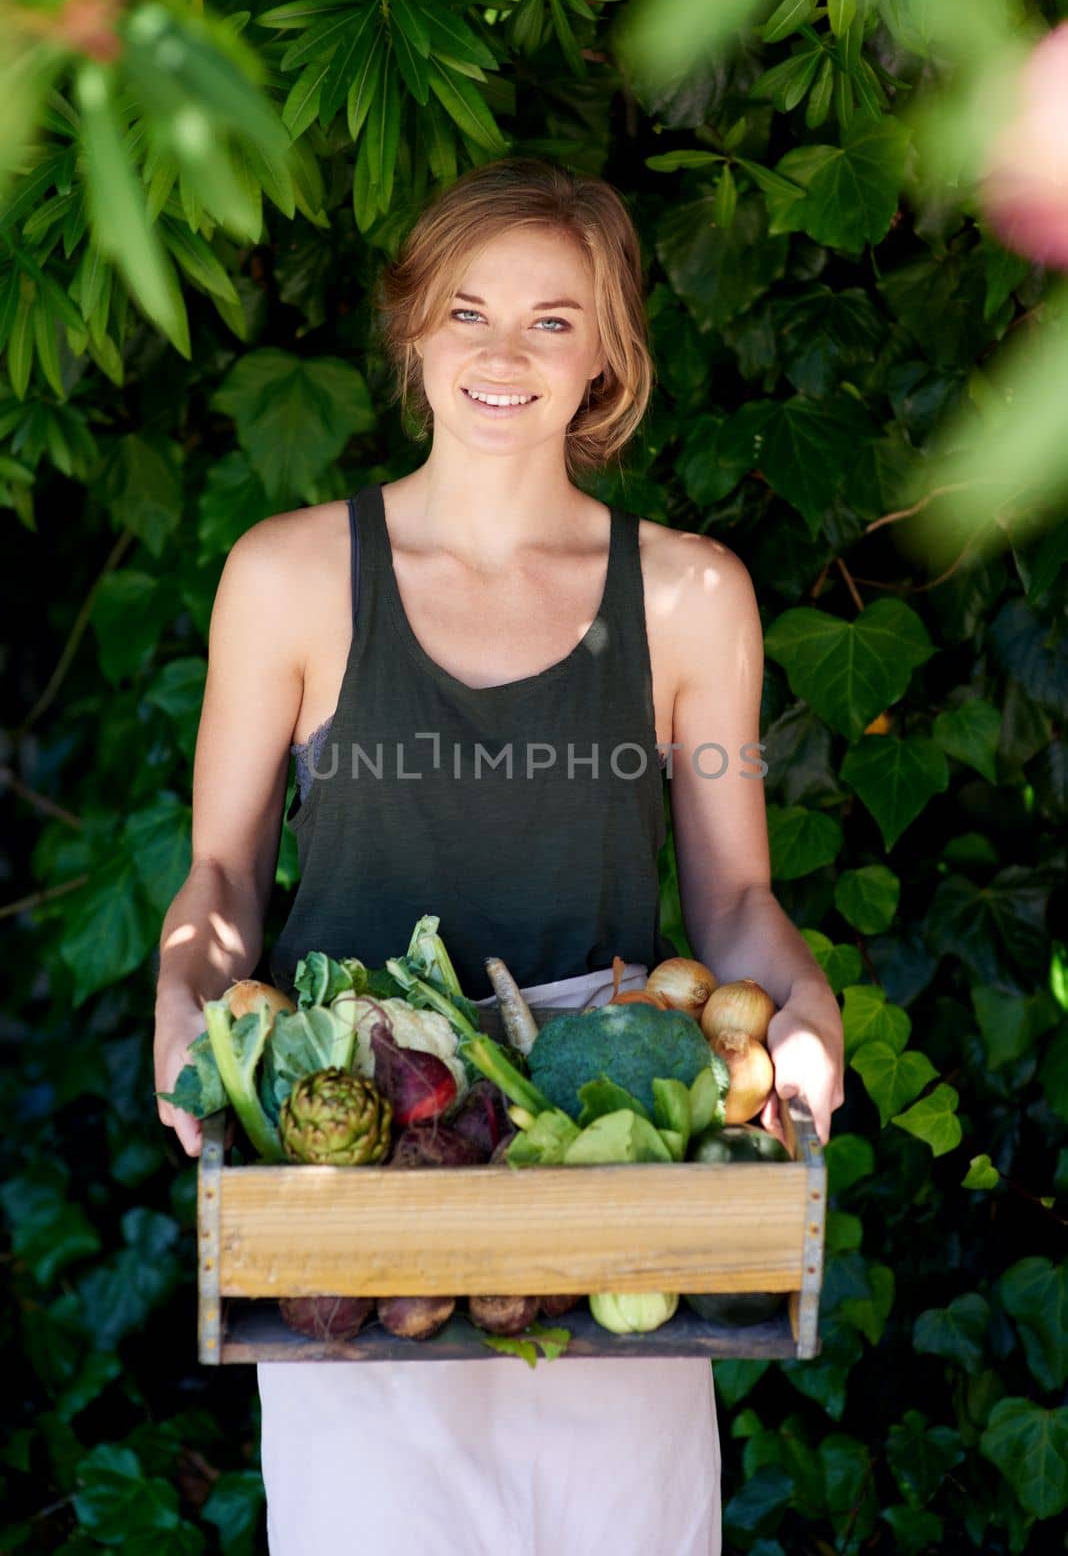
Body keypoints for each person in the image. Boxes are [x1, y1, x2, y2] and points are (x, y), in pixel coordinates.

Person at [154, 157, 845, 1556]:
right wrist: (186, 998)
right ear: (412, 327)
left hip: (609, 1161)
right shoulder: (287, 577)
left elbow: (736, 900)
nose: (503, 353)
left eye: (552, 317)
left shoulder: (692, 596)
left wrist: (807, 1021)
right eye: (467, 310)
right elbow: (222, 880)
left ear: (608, 354)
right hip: (348, 1156)